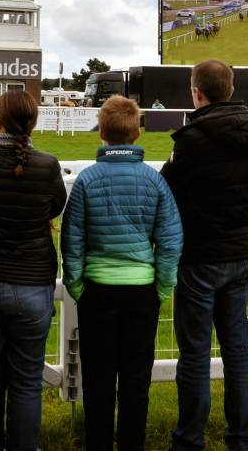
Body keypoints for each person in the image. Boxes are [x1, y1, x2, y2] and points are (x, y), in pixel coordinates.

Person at [61, 95, 182, 451]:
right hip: (141, 292)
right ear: (137, 133)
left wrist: (77, 286)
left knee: (98, 380)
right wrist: (162, 287)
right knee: (135, 380)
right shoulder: (155, 181)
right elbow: (171, 240)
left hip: (97, 291)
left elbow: (72, 241)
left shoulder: (87, 180)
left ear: (102, 132)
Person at [163, 59, 248, 451]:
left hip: (201, 257)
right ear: (231, 87)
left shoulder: (193, 137)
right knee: (237, 350)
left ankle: (189, 439)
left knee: (195, 354)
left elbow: (168, 186)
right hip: (241, 252)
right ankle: (241, 439)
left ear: (196, 91)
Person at [0, 90, 67, 451]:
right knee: (25, 382)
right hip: (31, 287)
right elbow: (55, 207)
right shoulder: (48, 164)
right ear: (33, 121)